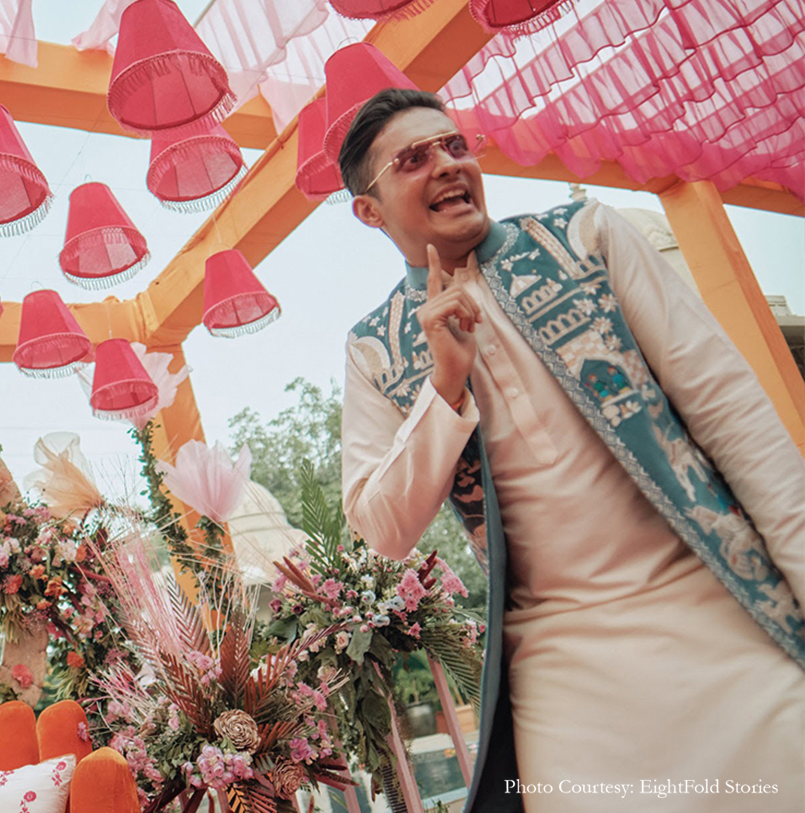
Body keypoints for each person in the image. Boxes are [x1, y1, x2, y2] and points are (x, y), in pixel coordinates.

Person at [338, 89, 805, 813]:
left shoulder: (586, 236)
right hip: (562, 664)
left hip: (713, 598)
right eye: (414, 159)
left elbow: (733, 415)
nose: (447, 165)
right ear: (368, 210)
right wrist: (445, 383)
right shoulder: (376, 348)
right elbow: (379, 528)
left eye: (456, 146)